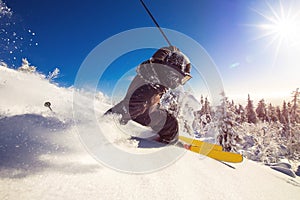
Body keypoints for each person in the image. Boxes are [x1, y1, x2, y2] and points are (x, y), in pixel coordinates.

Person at [105, 46, 192, 144]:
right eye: (179, 78)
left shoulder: (156, 67)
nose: (180, 83)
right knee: (171, 123)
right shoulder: (148, 91)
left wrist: (172, 50)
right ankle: (170, 143)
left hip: (148, 107)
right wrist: (105, 126)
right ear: (171, 73)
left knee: (169, 121)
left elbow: (160, 54)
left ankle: (168, 137)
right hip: (143, 113)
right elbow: (126, 108)